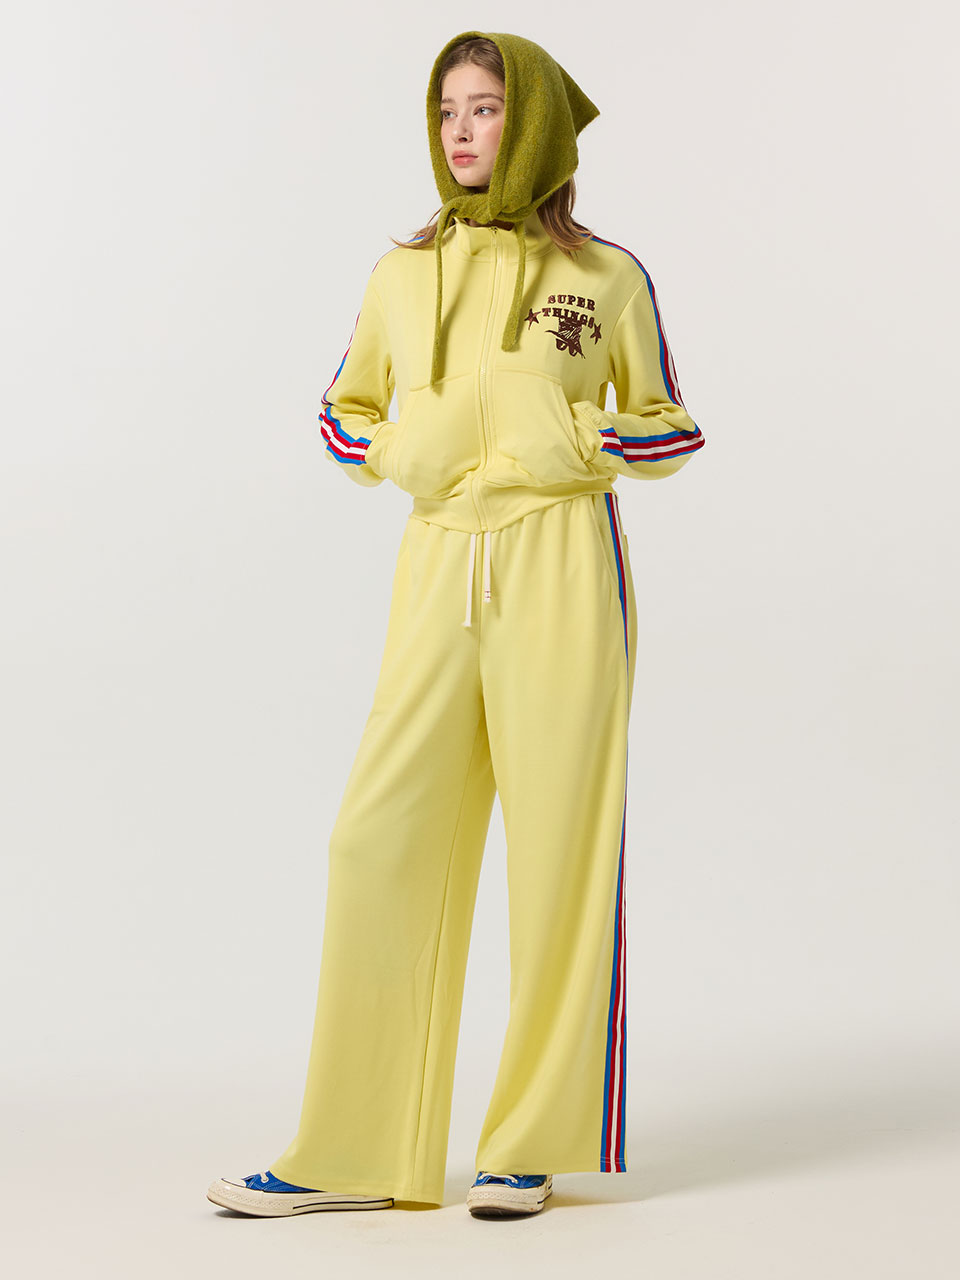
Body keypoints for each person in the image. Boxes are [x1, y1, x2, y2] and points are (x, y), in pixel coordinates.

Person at [207, 28, 705, 1221]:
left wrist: (571, 437)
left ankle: (527, 1142)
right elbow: (342, 413)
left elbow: (671, 426)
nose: (462, 131)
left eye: (486, 108)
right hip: (437, 561)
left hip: (562, 563)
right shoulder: (401, 274)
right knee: (376, 837)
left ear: (532, 124)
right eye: (446, 111)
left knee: (559, 849)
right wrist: (403, 448)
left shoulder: (607, 276)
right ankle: (351, 1148)